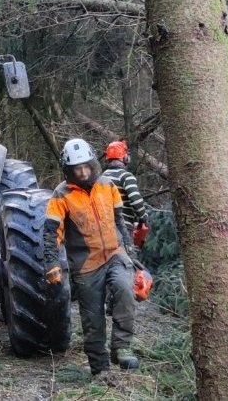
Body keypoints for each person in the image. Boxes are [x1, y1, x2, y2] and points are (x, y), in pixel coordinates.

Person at [43, 138, 139, 377]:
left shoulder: (108, 185)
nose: (83, 172)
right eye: (77, 169)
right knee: (92, 317)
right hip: (86, 264)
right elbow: (50, 233)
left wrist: (130, 251)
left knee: (125, 290)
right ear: (69, 170)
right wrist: (52, 263)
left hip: (116, 253)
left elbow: (120, 222)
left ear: (93, 163)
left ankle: (122, 347)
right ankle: (100, 369)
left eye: (86, 166)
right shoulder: (60, 195)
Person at [102, 141, 149, 238]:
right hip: (123, 225)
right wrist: (143, 218)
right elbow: (135, 199)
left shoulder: (101, 178)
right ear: (124, 157)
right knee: (127, 252)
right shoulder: (126, 176)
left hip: (103, 227)